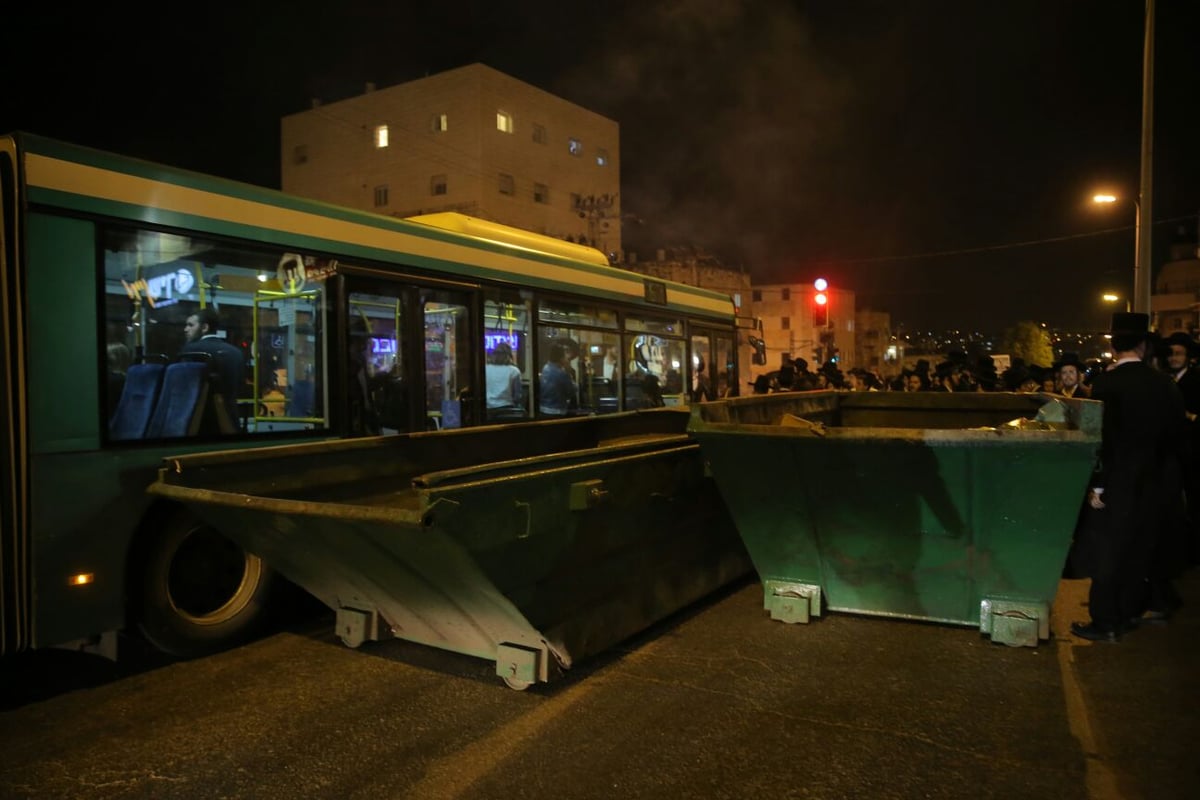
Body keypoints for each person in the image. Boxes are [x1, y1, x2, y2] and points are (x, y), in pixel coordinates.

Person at [1070, 313, 1188, 642]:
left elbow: (1101, 440)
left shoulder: (1107, 385)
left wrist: (1098, 484)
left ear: (1113, 344)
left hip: (1117, 481)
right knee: (1139, 549)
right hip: (1156, 481)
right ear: (1143, 344)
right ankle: (1129, 612)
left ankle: (1106, 621)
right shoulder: (1164, 384)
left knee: (1108, 551)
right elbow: (1178, 435)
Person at [180, 307, 245, 429]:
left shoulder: (190, 350)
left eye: (190, 325)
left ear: (204, 327)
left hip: (199, 422)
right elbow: (240, 385)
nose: (186, 329)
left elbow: (184, 388)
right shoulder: (236, 353)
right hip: (231, 420)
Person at [538, 341, 577, 416]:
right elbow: (572, 391)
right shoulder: (561, 373)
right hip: (557, 411)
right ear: (561, 358)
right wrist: (569, 373)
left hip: (543, 408)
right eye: (565, 355)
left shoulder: (545, 368)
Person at [485, 341, 524, 416]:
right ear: (509, 356)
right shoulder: (514, 371)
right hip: (506, 410)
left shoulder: (486, 369)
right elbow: (517, 396)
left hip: (487, 409)